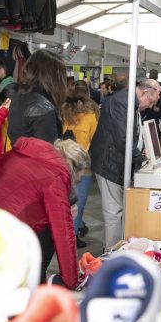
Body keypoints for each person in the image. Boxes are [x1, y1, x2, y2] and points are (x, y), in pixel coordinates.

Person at [0, 138, 90, 290]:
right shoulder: (55, 177)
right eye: (77, 180)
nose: (75, 185)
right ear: (72, 169)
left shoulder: (17, 155)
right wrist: (71, 281)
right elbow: (63, 234)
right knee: (50, 228)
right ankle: (34, 292)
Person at [90, 78, 161, 250]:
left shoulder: (130, 103)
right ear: (144, 92)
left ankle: (116, 248)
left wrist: (141, 152)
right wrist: (142, 159)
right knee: (114, 212)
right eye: (151, 101)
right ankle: (111, 254)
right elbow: (122, 139)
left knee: (118, 211)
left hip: (117, 161)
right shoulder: (121, 103)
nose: (151, 106)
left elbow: (132, 135)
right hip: (110, 163)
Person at [62, 85, 100, 247]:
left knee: (65, 202)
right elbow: (96, 139)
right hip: (83, 165)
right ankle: (73, 236)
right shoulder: (91, 115)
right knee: (79, 201)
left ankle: (66, 233)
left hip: (63, 162)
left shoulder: (63, 114)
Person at [7, 50, 66, 144]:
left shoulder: (18, 97)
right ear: (54, 76)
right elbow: (48, 153)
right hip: (35, 157)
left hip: (18, 156)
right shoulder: (43, 107)